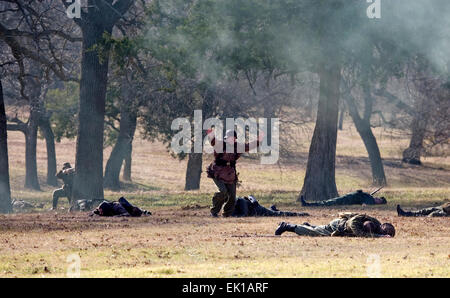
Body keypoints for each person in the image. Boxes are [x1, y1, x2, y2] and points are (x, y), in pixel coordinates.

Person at [207, 128, 263, 217]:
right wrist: (211, 134)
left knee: (232, 197)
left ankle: (227, 214)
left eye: (233, 138)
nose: (231, 139)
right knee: (223, 191)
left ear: (235, 139)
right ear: (226, 138)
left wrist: (258, 140)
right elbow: (213, 142)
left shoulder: (238, 146)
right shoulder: (221, 145)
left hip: (230, 174)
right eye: (229, 138)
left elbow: (248, 146)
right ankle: (214, 212)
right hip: (217, 173)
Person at [275, 212, 395, 238]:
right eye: (386, 233)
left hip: (339, 225)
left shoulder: (376, 224)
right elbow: (360, 234)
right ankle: (287, 226)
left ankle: (307, 225)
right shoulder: (355, 223)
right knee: (314, 233)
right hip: (338, 226)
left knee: (317, 229)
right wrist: (380, 237)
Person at [232, 195, 309, 217]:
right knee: (273, 212)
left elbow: (244, 214)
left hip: (260, 211)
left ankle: (300, 214)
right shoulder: (236, 203)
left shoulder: (241, 201)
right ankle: (272, 208)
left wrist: (234, 216)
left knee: (278, 214)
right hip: (259, 210)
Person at [300, 190, 387, 207]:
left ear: (379, 203)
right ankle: (308, 204)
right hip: (347, 197)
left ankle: (307, 204)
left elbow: (364, 204)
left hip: (346, 200)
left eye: (379, 200)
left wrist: (366, 201)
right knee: (328, 202)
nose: (378, 199)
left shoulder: (370, 201)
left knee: (327, 203)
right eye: (379, 198)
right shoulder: (370, 198)